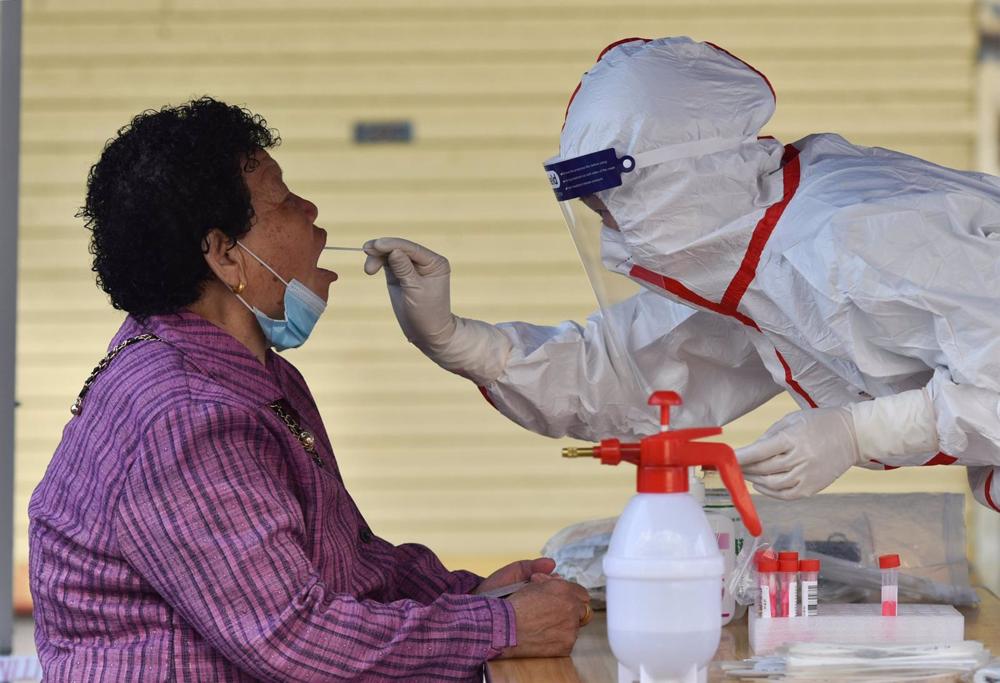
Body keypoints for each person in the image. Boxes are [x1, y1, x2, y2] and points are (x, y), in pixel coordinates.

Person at [27, 97, 590, 682]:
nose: (311, 209)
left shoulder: (251, 375)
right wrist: (500, 628)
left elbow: (346, 557)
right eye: (284, 199)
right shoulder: (186, 417)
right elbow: (294, 640)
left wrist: (469, 594)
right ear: (225, 256)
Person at [362, 37, 1000, 513]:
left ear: (678, 175)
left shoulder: (854, 234)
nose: (611, 225)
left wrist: (857, 431)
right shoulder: (761, 255)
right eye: (594, 209)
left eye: (613, 201)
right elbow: (638, 373)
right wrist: (459, 341)